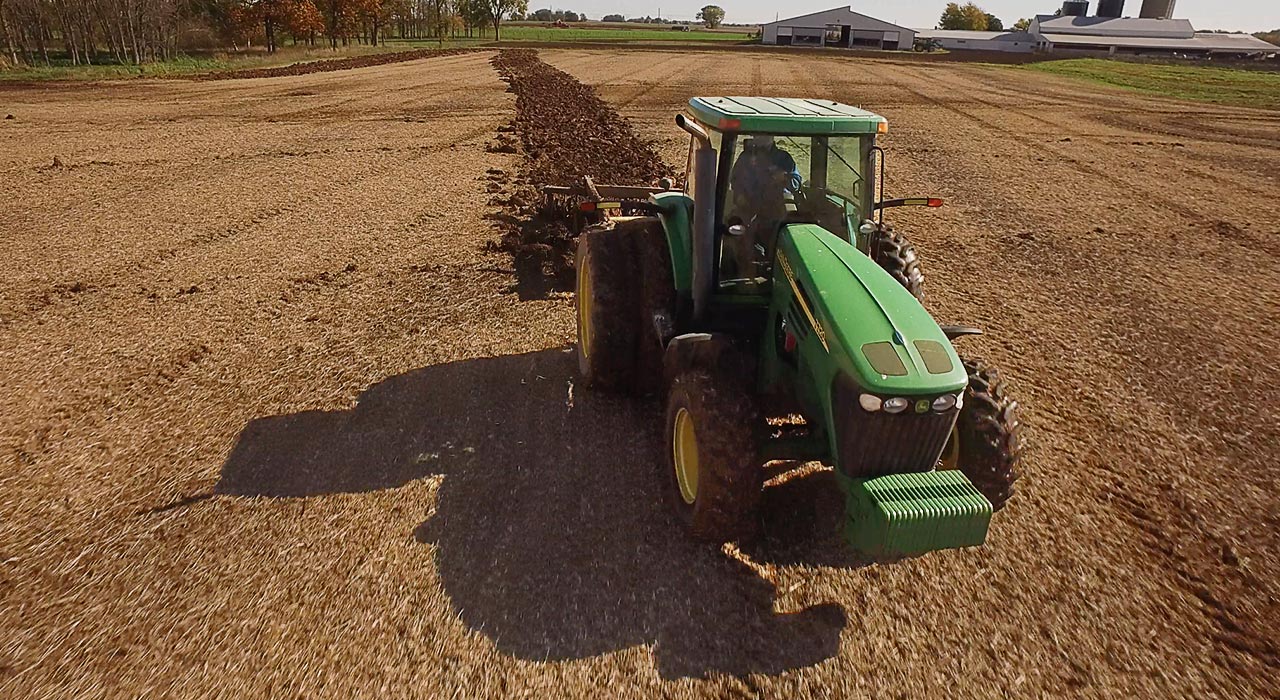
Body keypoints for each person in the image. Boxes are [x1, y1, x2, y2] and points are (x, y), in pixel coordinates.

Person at [727, 135, 798, 276]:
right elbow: (735, 180)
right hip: (749, 209)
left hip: (776, 212)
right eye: (757, 134)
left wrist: (783, 177)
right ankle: (739, 274)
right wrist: (741, 196)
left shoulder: (784, 159)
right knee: (734, 231)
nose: (759, 138)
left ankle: (776, 272)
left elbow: (796, 183)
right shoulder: (745, 158)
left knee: (783, 242)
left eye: (764, 135)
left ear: (771, 137)